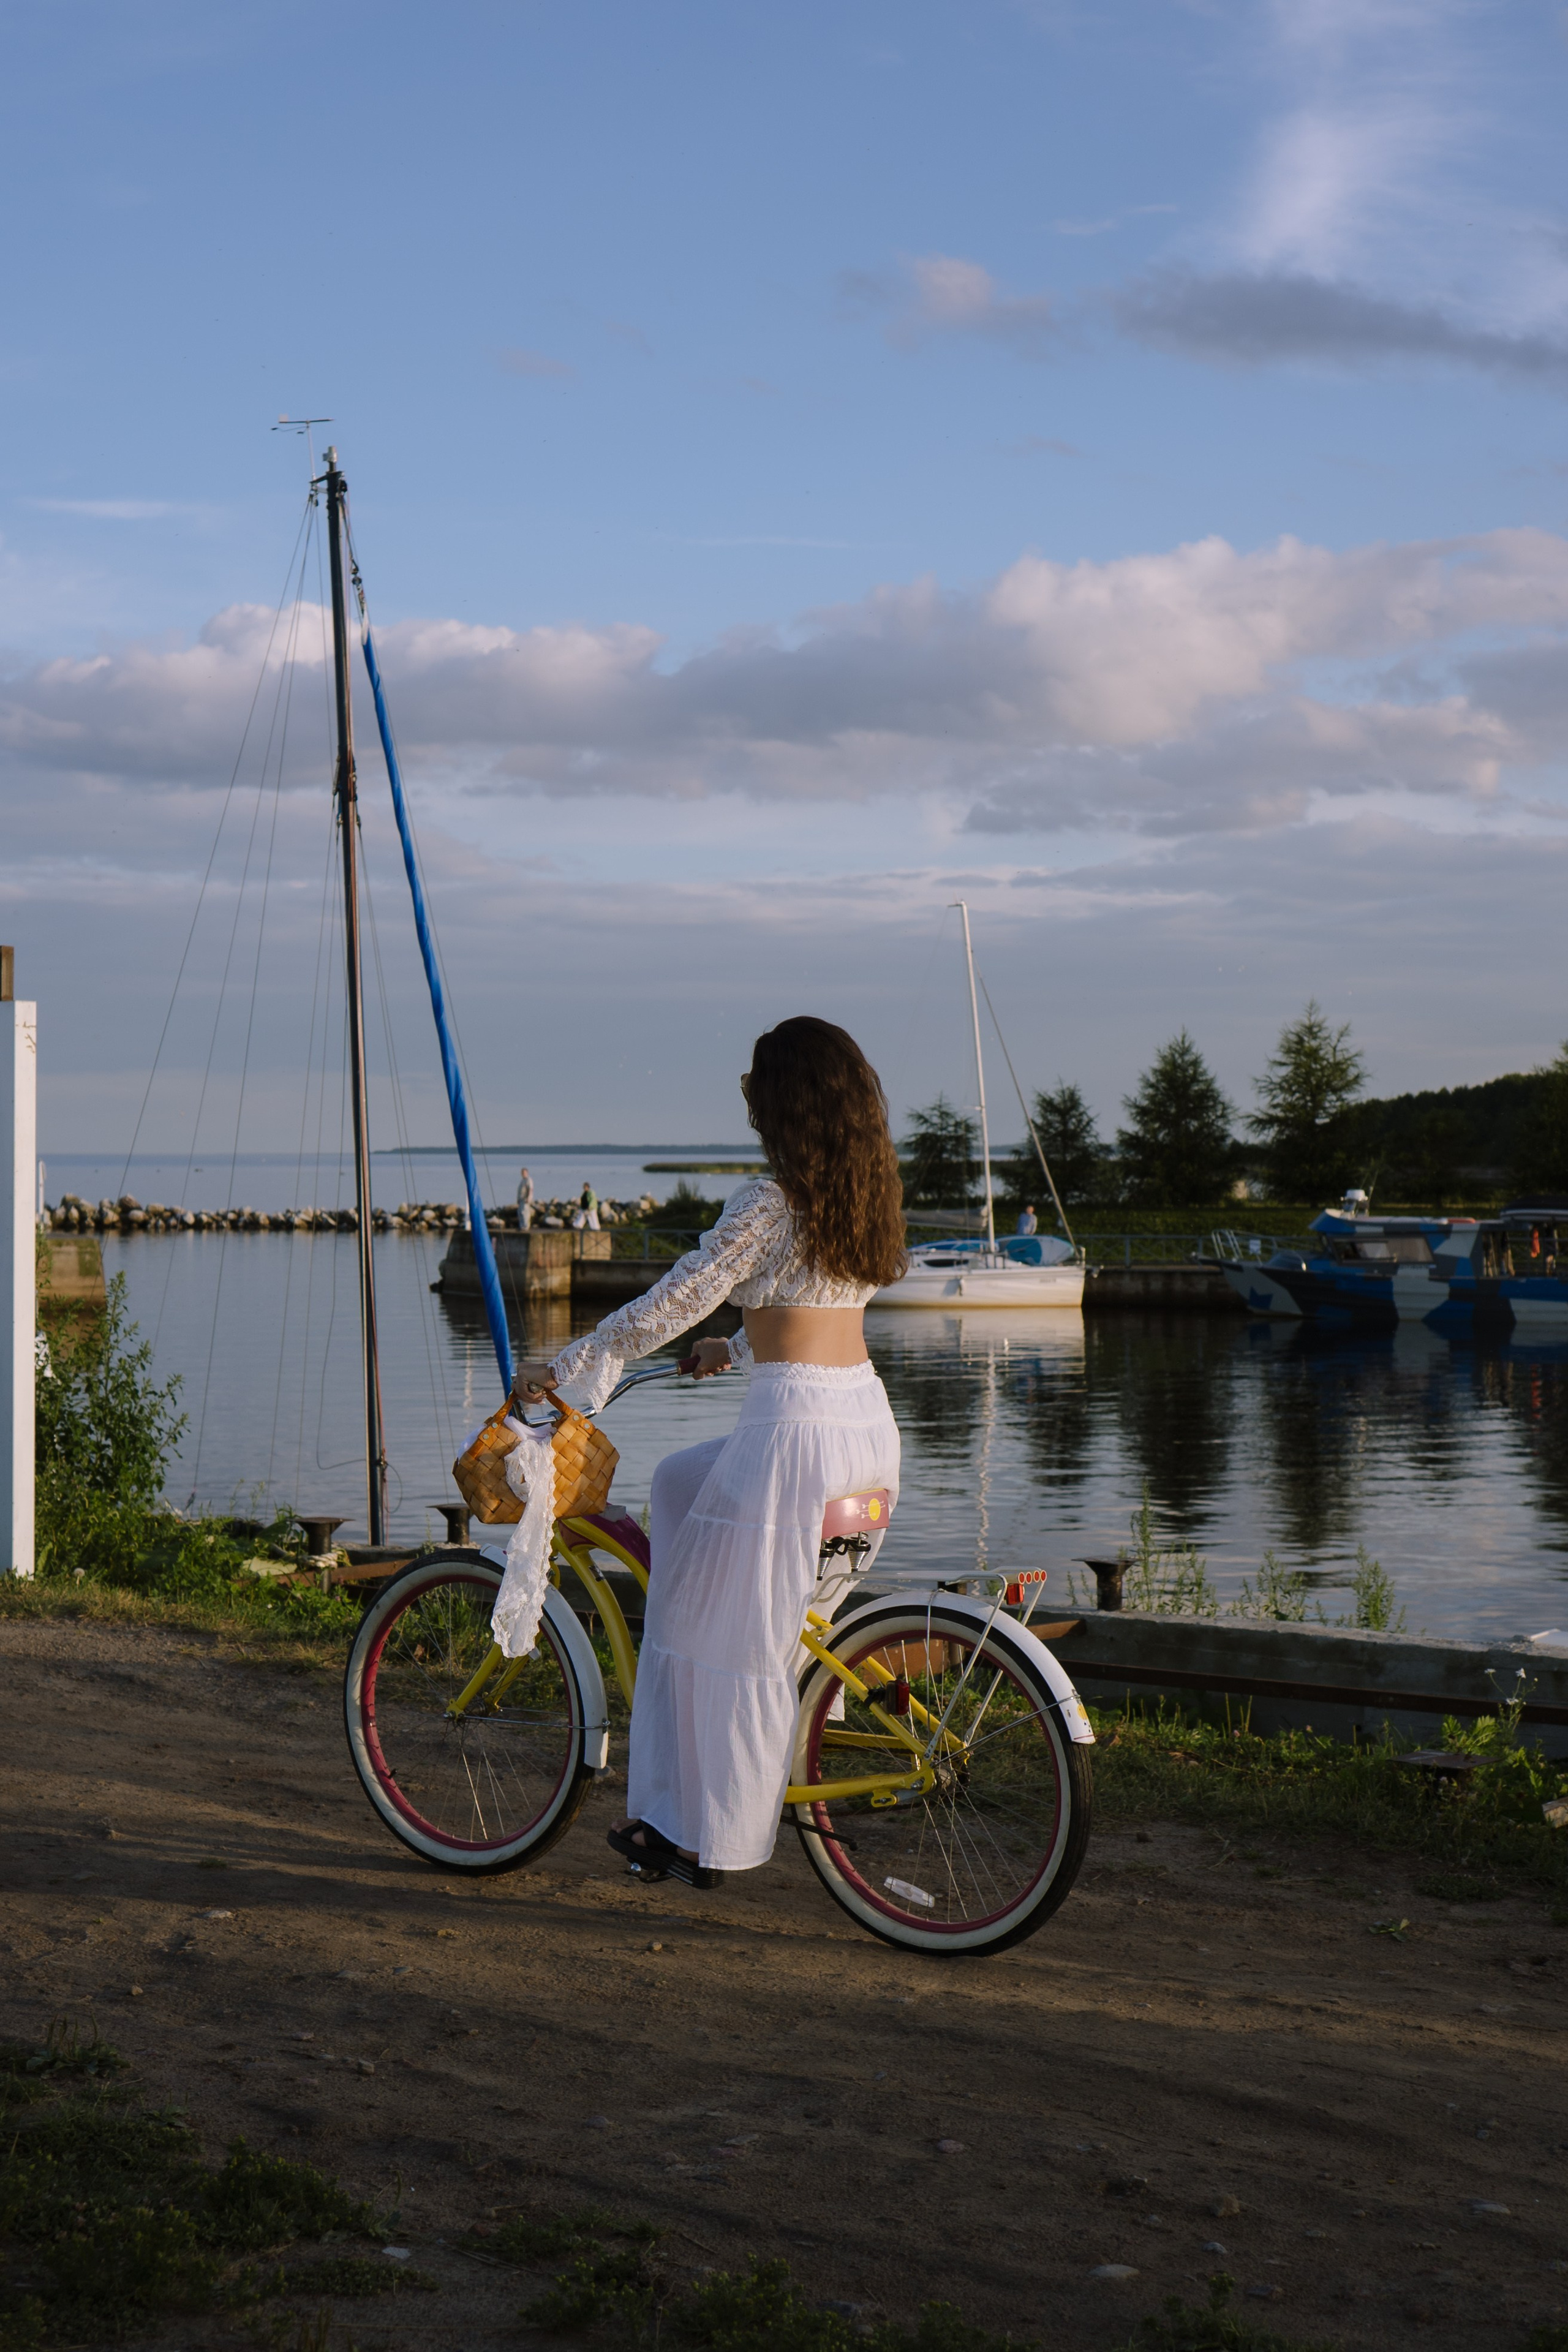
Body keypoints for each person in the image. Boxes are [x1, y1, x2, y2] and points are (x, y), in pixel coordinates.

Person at [513, 1016, 905, 1886]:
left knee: (720, 1639)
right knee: (677, 1481)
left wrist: (567, 1367)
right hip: (866, 1431)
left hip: (793, 1441)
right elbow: (815, 1308)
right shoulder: (865, 1197)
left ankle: (701, 1836)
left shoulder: (769, 1202)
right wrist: (733, 1348)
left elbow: (669, 1303)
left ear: (782, 1103)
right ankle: (700, 1791)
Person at [516, 1166, 535, 1231]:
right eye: (522, 1173)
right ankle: (522, 1226)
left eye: (524, 1173)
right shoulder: (522, 1181)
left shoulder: (529, 1180)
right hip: (521, 1200)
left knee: (525, 1213)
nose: (523, 1174)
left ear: (527, 1173)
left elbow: (530, 1190)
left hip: (526, 1200)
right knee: (520, 1212)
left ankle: (526, 1226)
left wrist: (529, 1198)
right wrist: (518, 1199)